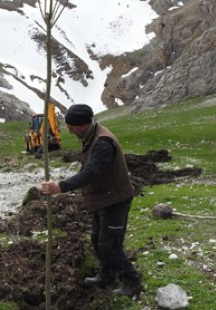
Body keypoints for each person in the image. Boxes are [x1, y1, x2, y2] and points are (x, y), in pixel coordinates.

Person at [40, 104, 142, 297]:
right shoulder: (90, 136)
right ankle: (107, 274)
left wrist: (60, 187)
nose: (69, 130)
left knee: (110, 245)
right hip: (103, 198)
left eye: (71, 127)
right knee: (97, 240)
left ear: (83, 124)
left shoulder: (103, 142)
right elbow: (87, 168)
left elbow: (91, 173)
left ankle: (133, 282)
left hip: (115, 199)